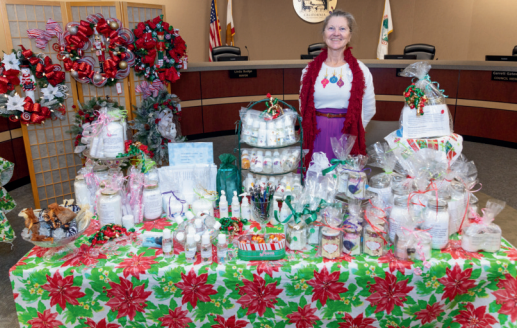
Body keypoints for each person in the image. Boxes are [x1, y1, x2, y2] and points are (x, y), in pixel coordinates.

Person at [300, 9, 375, 167]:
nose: (336, 33)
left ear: (350, 35)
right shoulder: (309, 71)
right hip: (316, 136)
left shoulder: (361, 71)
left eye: (342, 29)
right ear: (324, 33)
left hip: (345, 138)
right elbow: (303, 107)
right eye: (331, 28)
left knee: (344, 185)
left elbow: (369, 108)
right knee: (316, 184)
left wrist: (353, 135)